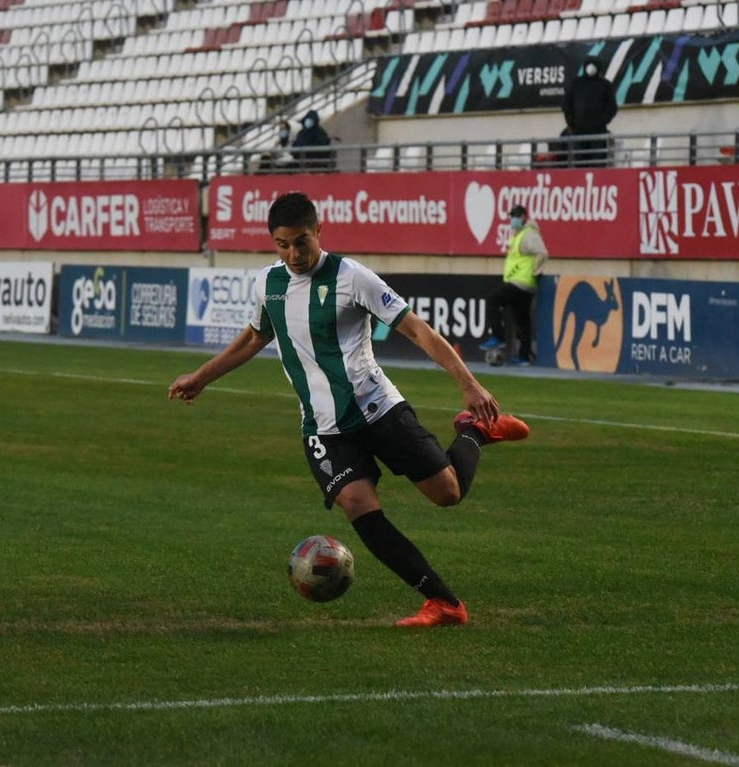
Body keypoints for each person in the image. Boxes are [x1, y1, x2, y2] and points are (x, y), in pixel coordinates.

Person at [168, 192, 529, 628]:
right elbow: (253, 338)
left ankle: (473, 431)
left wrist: (468, 384)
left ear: (319, 231)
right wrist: (202, 376)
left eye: (302, 241)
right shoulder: (269, 284)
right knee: (358, 504)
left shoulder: (353, 277)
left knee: (448, 494)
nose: (294, 254)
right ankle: (444, 603)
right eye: (282, 244)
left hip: (377, 409)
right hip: (323, 429)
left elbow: (416, 329)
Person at [479, 204, 549, 366]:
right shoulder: (518, 235)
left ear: (524, 217)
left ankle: (498, 336)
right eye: (512, 216)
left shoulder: (528, 235)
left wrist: (536, 271)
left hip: (521, 282)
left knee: (493, 300)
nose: (513, 220)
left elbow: (543, 253)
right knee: (522, 319)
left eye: (515, 216)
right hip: (524, 284)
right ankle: (523, 357)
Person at [561, 56, 618, 167]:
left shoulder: (605, 85)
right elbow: (566, 104)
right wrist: (571, 121)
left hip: (598, 133)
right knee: (577, 164)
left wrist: (603, 121)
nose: (591, 68)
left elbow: (612, 107)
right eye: (589, 64)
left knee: (598, 164)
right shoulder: (575, 84)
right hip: (578, 133)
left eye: (594, 65)